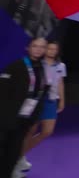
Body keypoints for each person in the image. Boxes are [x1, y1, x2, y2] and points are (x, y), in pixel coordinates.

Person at [0, 38, 49, 178]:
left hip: (23, 121)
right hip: (6, 121)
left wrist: (33, 118)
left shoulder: (41, 70)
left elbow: (40, 96)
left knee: (12, 155)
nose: (38, 49)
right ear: (28, 48)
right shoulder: (15, 66)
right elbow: (2, 93)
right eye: (35, 46)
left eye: (42, 47)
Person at [16, 41, 67, 174]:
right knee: (29, 131)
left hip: (51, 101)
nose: (51, 51)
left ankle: (19, 155)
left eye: (54, 49)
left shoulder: (61, 65)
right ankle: (17, 159)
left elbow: (60, 83)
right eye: (49, 49)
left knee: (47, 131)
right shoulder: (38, 63)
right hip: (37, 100)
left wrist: (62, 100)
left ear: (57, 51)